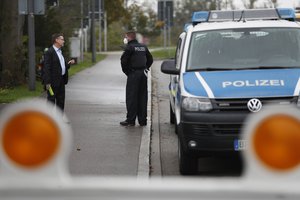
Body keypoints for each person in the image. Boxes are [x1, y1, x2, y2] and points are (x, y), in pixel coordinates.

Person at [120, 31, 153, 126]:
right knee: (142, 97)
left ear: (129, 38)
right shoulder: (143, 47)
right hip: (143, 74)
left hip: (133, 74)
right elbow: (150, 59)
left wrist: (128, 72)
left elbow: (123, 62)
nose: (125, 39)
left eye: (126, 37)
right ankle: (143, 120)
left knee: (131, 98)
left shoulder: (129, 48)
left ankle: (130, 120)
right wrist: (146, 68)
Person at [43, 33, 75, 112]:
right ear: (56, 40)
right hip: (53, 81)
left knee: (61, 101)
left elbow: (60, 66)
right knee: (51, 101)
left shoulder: (60, 52)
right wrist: (47, 82)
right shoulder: (49, 52)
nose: (63, 41)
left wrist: (68, 64)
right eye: (62, 39)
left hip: (61, 80)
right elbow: (47, 68)